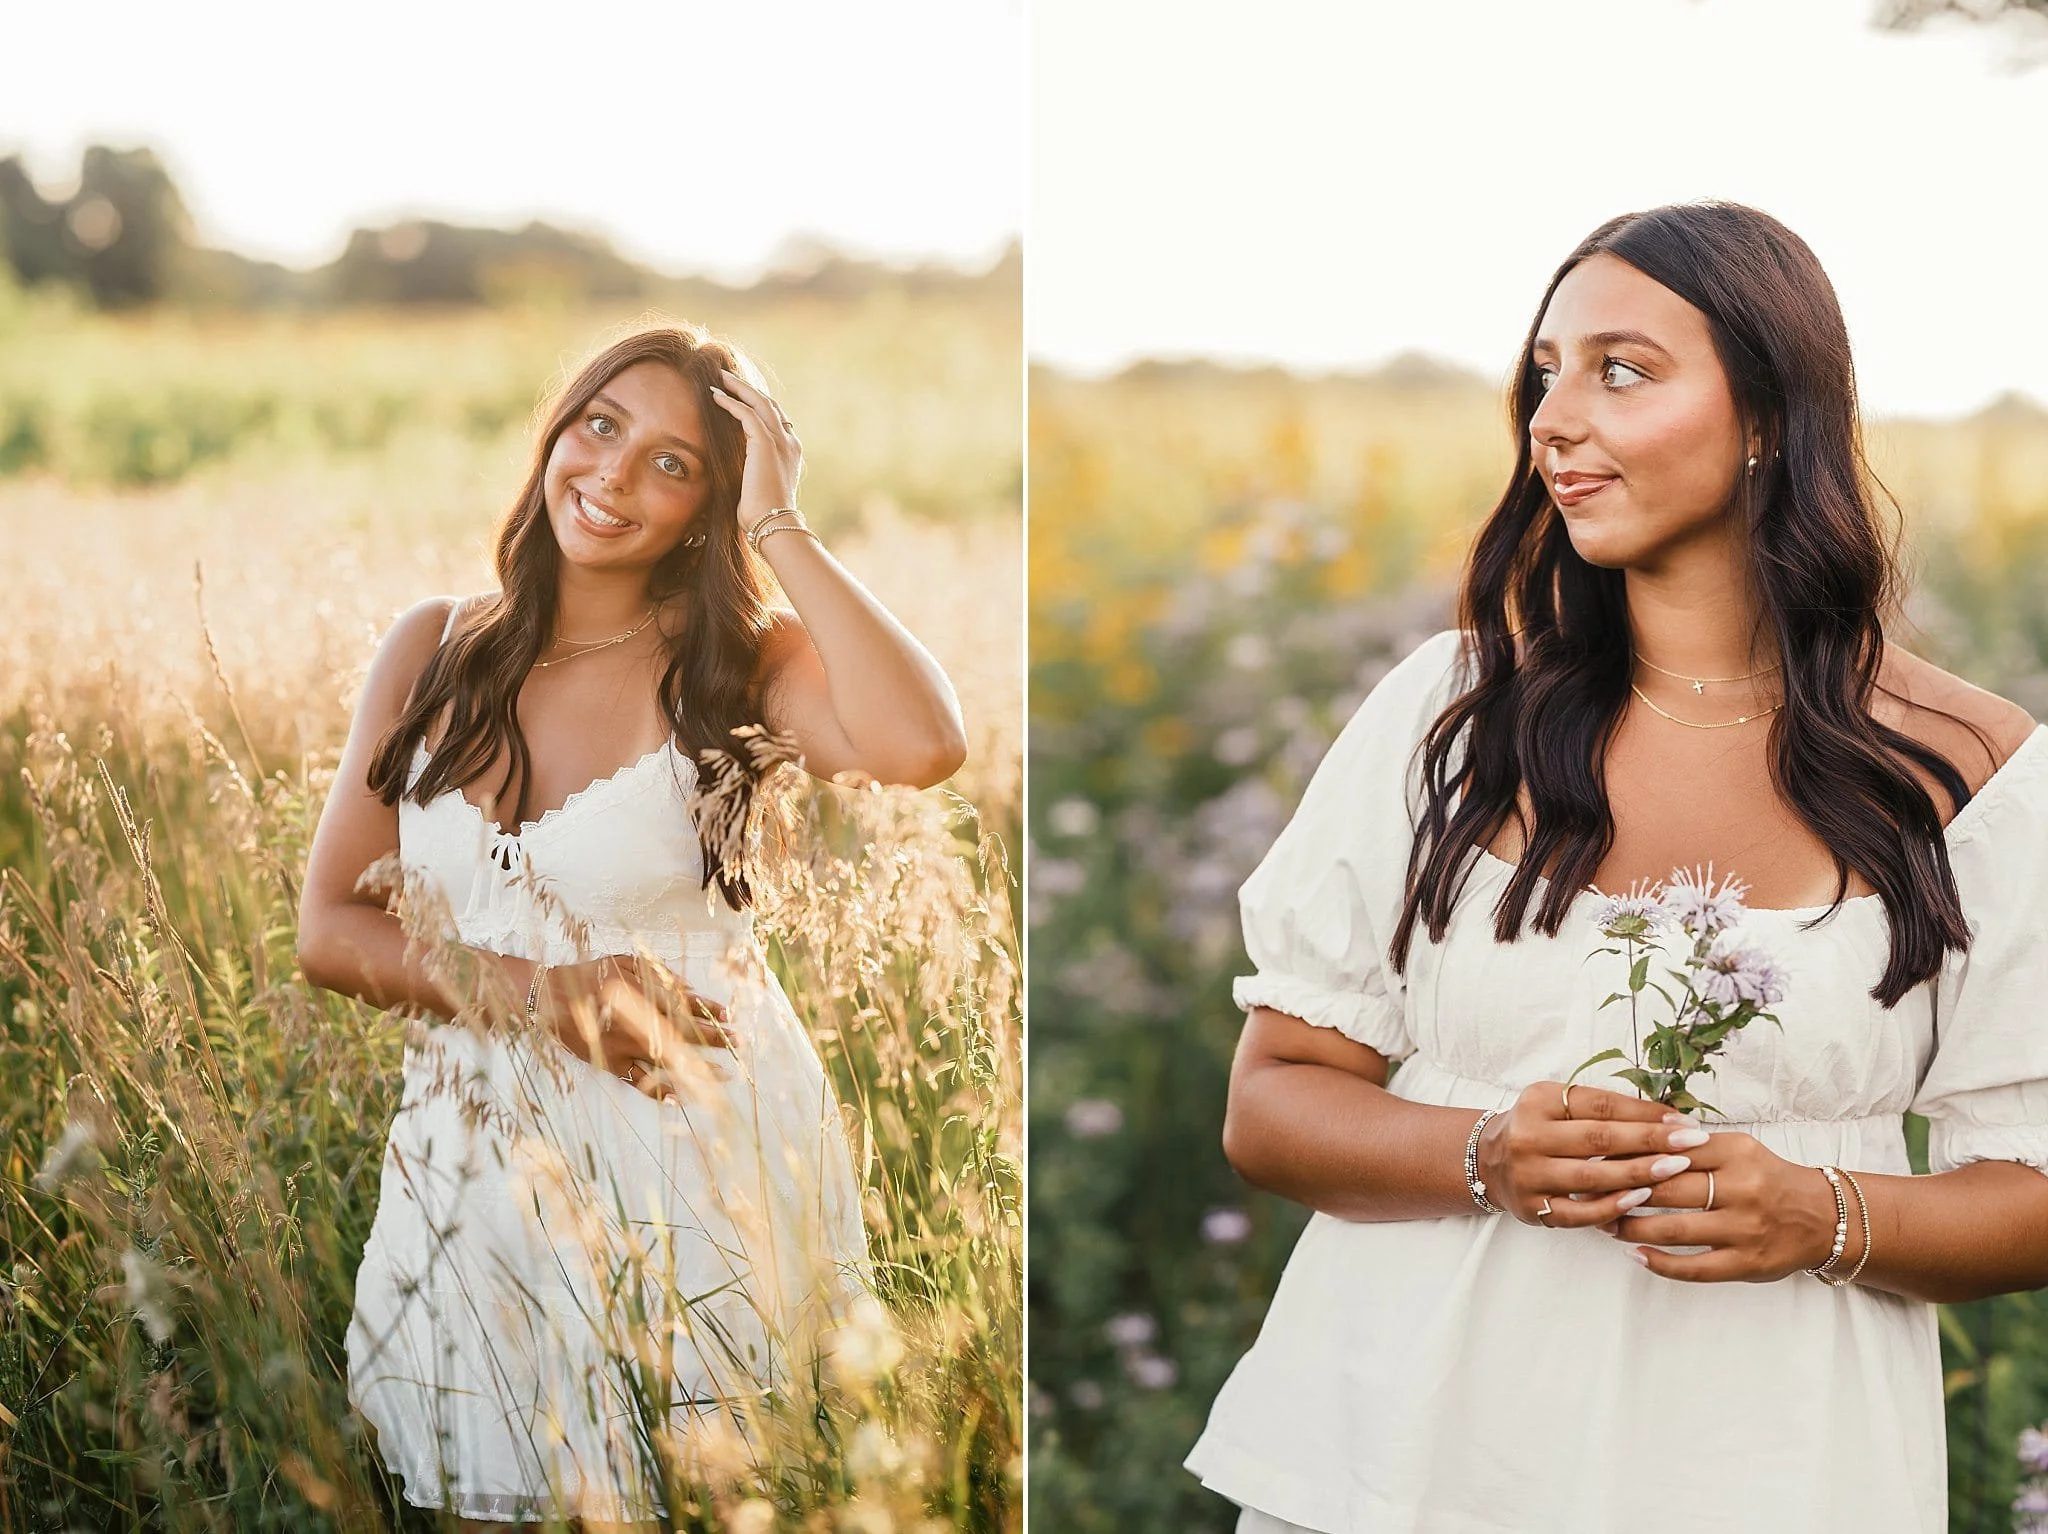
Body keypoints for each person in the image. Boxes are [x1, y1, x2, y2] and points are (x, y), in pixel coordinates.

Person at [1182, 203, 2048, 1533]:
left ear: (1768, 413)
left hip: (1770, 1477)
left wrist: (1822, 1214)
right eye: (1545, 373)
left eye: (1621, 371)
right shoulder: (1451, 715)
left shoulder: (1972, 769)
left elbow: (2029, 1194)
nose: (1552, 421)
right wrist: (1483, 1153)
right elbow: (1272, 1105)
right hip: (1397, 1465)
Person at [296, 324, 967, 1529]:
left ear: (711, 505)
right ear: (555, 430)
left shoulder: (740, 663)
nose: (610, 474)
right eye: (599, 425)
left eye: (673, 463)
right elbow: (330, 929)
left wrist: (780, 523)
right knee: (481, 1498)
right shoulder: (431, 647)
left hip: (690, 1153)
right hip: (468, 1154)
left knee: (698, 1501)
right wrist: (541, 993)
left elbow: (920, 746)